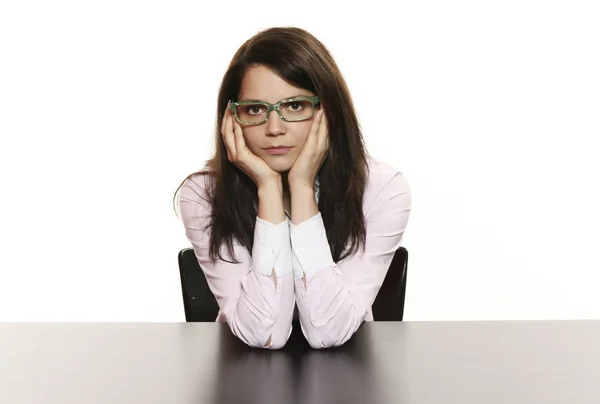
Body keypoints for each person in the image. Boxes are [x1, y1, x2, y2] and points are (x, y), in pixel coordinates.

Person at [174, 26, 411, 349]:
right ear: (233, 117)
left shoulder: (382, 189)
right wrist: (268, 188)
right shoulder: (203, 196)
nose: (274, 128)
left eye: (295, 106)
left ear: (328, 110)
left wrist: (300, 188)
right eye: (255, 109)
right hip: (241, 381)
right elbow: (263, 334)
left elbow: (327, 332)